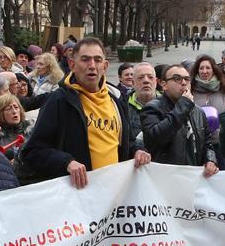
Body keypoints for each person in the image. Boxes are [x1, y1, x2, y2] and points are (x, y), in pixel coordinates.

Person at [20, 38, 151, 188]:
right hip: (79, 197)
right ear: (72, 65)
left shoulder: (116, 100)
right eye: (85, 59)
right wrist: (67, 162)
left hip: (113, 194)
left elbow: (127, 142)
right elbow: (33, 152)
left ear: (105, 66)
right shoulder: (59, 100)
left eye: (97, 60)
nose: (92, 66)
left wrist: (138, 151)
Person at [141, 64, 219, 175]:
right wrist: (183, 106)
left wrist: (210, 160)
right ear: (164, 85)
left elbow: (207, 143)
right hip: (165, 177)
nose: (183, 83)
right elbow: (156, 138)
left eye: (187, 79)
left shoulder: (198, 111)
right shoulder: (152, 108)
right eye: (177, 79)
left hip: (193, 177)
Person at [0, 95, 31, 161]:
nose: (14, 111)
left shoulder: (31, 128)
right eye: (8, 109)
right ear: (0, 113)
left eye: (16, 107)